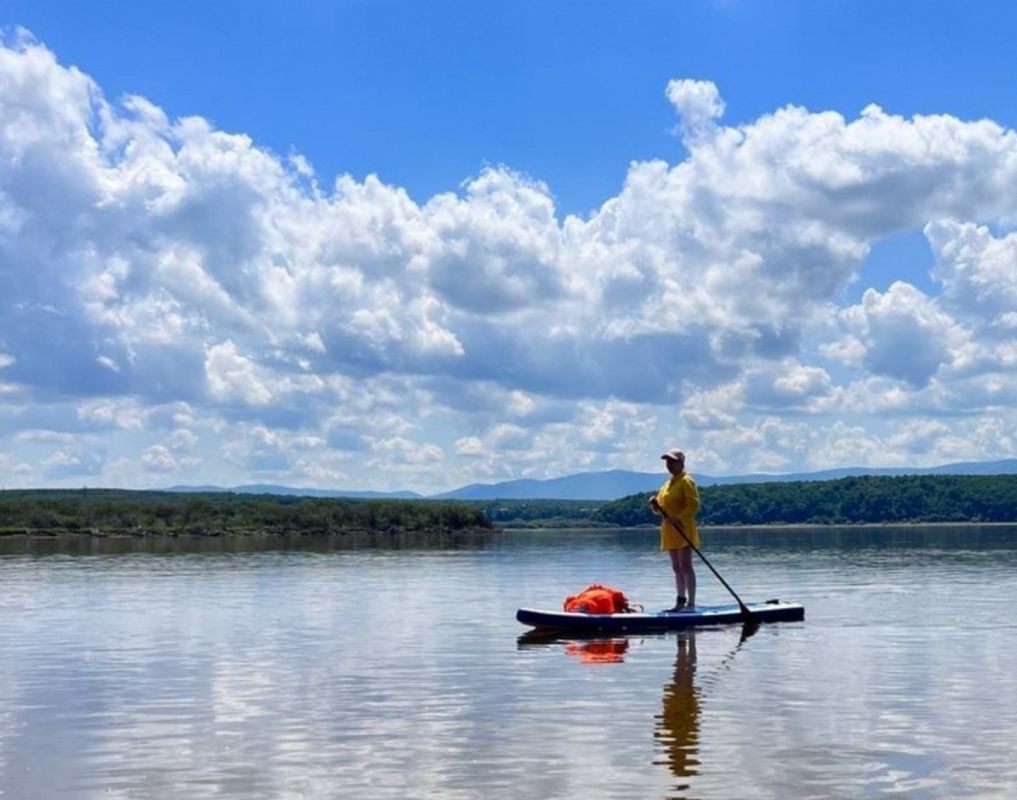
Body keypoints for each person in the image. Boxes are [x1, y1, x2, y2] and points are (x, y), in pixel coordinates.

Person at [649, 449, 701, 612]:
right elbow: (660, 510)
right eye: (667, 462)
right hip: (670, 531)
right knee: (676, 567)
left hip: (683, 529)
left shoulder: (686, 481)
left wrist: (678, 518)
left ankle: (691, 604)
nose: (669, 465)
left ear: (681, 463)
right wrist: (655, 505)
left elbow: (693, 505)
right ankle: (680, 601)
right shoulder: (667, 484)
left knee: (686, 566)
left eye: (672, 461)